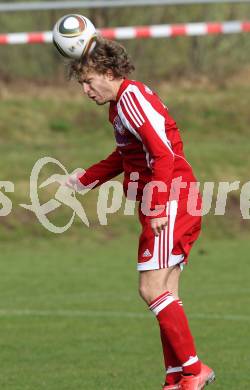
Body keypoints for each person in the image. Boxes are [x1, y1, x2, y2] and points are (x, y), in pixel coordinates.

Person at [66, 37, 215, 390]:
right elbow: (125, 156)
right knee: (167, 294)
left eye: (89, 81)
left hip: (170, 199)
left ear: (108, 72)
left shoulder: (130, 98)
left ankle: (194, 370)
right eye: (81, 84)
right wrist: (86, 178)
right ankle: (175, 378)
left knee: (150, 289)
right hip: (171, 198)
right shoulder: (121, 105)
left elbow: (162, 152)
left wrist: (160, 204)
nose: (86, 90)